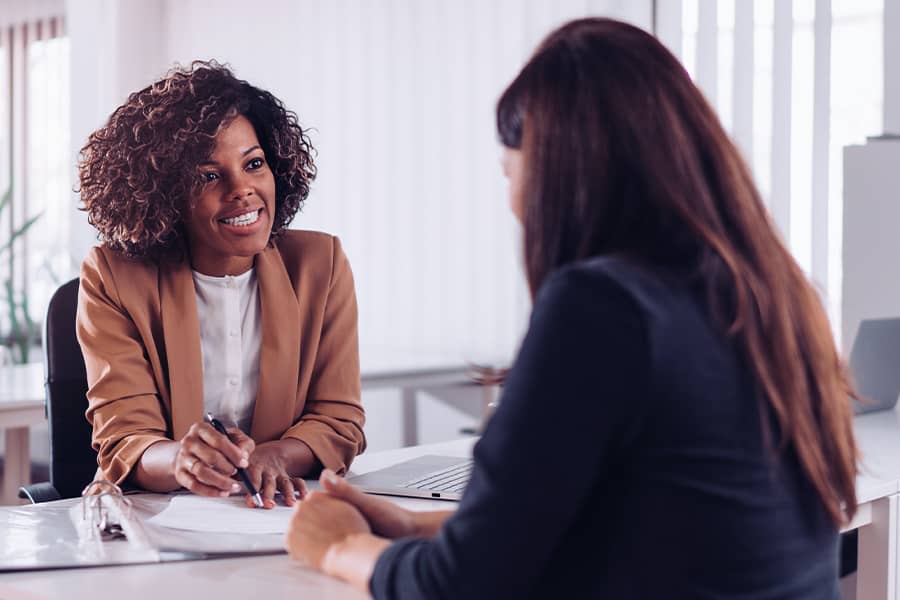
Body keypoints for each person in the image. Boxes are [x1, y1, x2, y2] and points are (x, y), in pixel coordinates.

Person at [284, 17, 859, 598]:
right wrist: (414, 524)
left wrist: (339, 547)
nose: (512, 204)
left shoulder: (602, 307)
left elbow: (462, 587)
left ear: (557, 172)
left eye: (509, 172)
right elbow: (646, 521)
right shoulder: (777, 295)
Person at [77, 61, 365, 509]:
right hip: (152, 519)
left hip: (274, 514)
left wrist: (275, 457)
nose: (242, 189)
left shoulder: (319, 265)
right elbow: (126, 437)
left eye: (254, 164)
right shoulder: (113, 276)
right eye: (209, 176)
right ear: (166, 193)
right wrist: (180, 461)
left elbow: (338, 420)